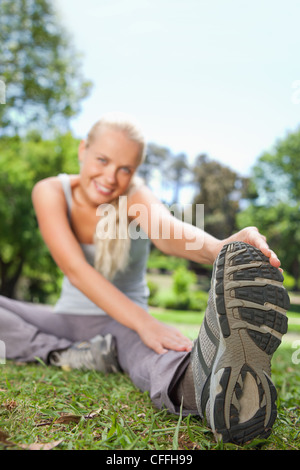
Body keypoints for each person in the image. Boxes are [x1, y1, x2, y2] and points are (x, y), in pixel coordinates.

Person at [0, 112, 289, 445]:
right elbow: (76, 271)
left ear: (135, 170)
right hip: (67, 319)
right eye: (102, 160)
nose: (111, 176)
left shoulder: (136, 196)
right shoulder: (49, 191)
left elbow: (168, 233)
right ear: (83, 150)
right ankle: (66, 353)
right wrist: (145, 322)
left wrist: (220, 248)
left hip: (121, 325)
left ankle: (212, 391)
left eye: (125, 168)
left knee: (152, 355)